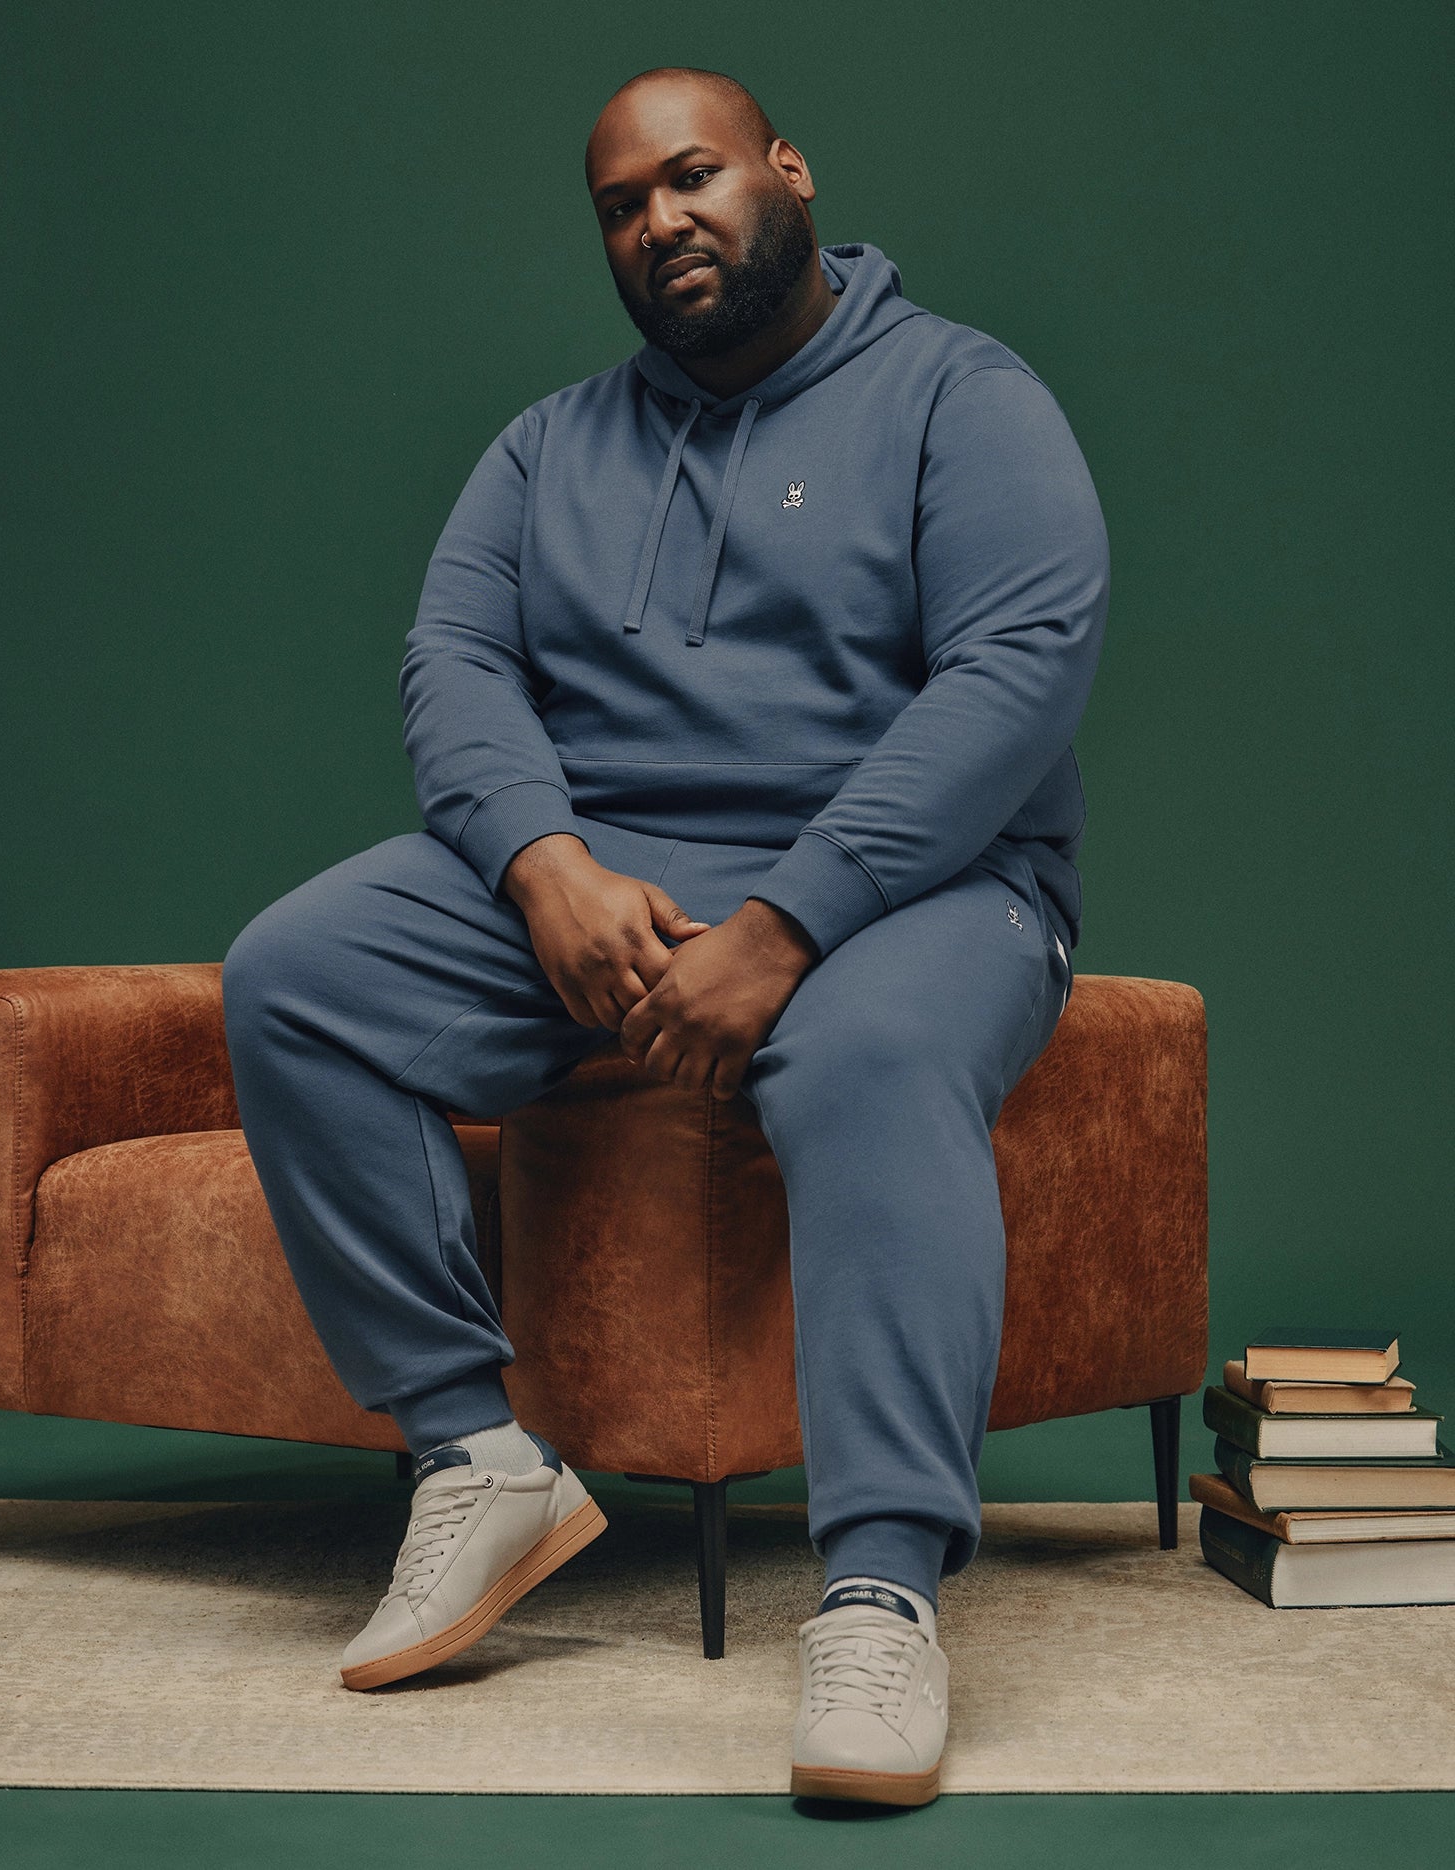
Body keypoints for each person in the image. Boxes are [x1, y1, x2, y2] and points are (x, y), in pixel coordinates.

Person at [221, 63, 1109, 1809]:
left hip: (932, 886)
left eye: (690, 176)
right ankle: (477, 1459)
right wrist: (541, 864)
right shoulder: (551, 443)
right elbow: (455, 664)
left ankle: (881, 1589)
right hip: (616, 873)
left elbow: (1019, 673)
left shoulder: (961, 397)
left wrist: (790, 922)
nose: (659, 221)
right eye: (621, 204)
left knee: (860, 1049)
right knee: (301, 973)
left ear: (784, 168)